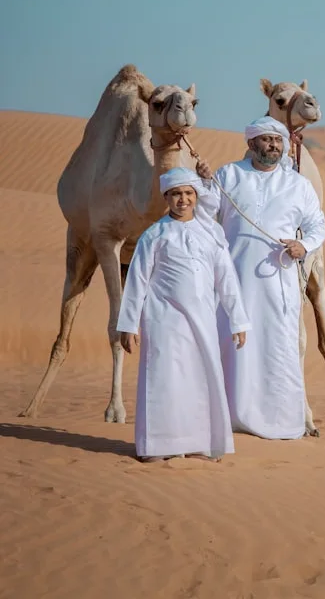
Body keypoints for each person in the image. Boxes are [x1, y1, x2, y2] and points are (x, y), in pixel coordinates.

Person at [195, 116, 325, 440]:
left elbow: (317, 225)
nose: (274, 146)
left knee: (277, 348)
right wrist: (203, 183)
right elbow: (205, 212)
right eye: (267, 140)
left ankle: (280, 421)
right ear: (251, 143)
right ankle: (230, 417)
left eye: (278, 141)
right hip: (233, 279)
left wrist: (303, 245)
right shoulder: (229, 175)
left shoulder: (298, 185)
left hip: (277, 282)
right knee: (232, 344)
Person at [116, 167, 251, 463]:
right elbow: (137, 280)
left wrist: (238, 320)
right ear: (167, 197)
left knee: (201, 380)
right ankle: (158, 446)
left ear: (196, 196)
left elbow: (227, 280)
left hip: (202, 321)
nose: (183, 199)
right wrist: (128, 324)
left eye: (189, 193)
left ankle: (201, 444)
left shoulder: (210, 234)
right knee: (164, 380)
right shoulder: (154, 235)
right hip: (163, 320)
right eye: (176, 194)